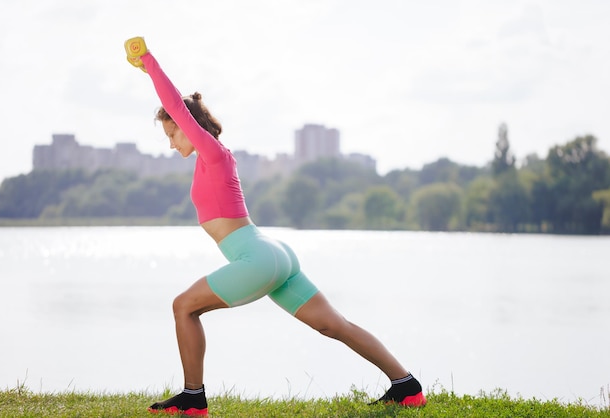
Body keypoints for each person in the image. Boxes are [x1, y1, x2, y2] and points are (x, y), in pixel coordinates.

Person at [124, 36, 426, 416]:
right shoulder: (213, 161)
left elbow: (174, 104)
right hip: (274, 254)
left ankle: (192, 398)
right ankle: (407, 387)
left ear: (191, 126)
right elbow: (178, 114)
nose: (170, 144)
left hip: (257, 257)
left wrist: (148, 61)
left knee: (183, 307)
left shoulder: (213, 153)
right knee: (334, 325)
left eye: (172, 133)